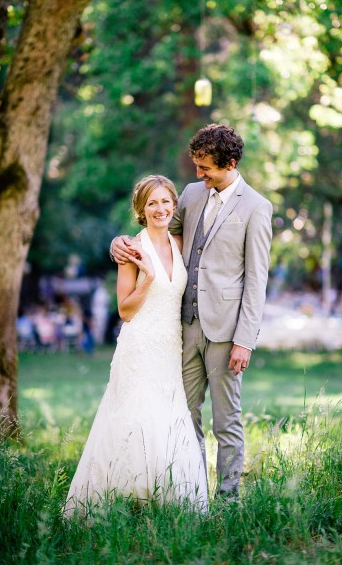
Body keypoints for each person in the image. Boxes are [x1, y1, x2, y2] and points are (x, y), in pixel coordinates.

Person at [111, 124, 272, 498]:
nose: (198, 175)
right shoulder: (191, 194)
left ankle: (228, 500)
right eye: (196, 166)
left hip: (227, 332)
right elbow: (159, 238)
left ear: (229, 163)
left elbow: (256, 281)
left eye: (206, 169)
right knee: (183, 415)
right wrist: (119, 244)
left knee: (226, 420)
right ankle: (192, 492)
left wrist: (244, 341)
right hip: (183, 326)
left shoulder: (256, 208)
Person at [64, 175, 207, 516]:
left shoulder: (180, 241)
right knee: (134, 417)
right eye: (152, 203)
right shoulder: (131, 249)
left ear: (174, 205)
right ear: (142, 209)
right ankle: (119, 496)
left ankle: (163, 497)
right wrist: (148, 280)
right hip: (140, 344)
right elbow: (125, 311)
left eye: (165, 201)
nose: (160, 208)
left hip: (171, 346)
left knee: (167, 417)